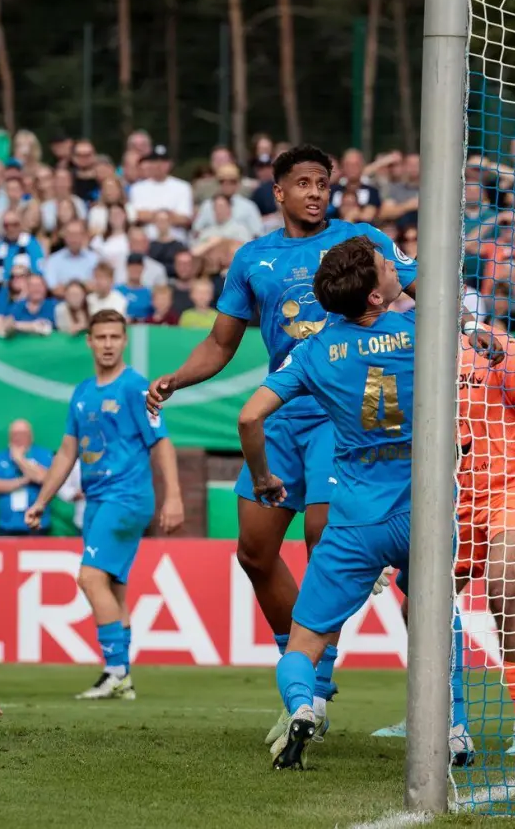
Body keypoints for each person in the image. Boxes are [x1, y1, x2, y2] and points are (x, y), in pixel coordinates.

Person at [145, 145, 419, 740]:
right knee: (254, 553)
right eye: (304, 183)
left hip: (338, 413)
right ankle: (300, 665)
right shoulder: (252, 258)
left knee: (324, 540)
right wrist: (175, 378)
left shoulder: (361, 240)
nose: (316, 192)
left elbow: (422, 293)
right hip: (279, 414)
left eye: (323, 182)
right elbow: (220, 345)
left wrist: (469, 333)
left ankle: (314, 692)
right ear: (279, 193)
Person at [234, 236, 441, 770]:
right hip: (422, 507)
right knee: (436, 617)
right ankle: (454, 726)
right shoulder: (423, 332)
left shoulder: (312, 351)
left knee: (303, 641)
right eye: (384, 266)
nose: (394, 268)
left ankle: (304, 705)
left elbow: (249, 418)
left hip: (353, 518)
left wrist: (263, 479)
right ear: (375, 296)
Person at [370, 323, 515, 755]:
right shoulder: (395, 353)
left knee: (503, 588)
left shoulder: (495, 344)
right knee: (419, 604)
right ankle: (433, 712)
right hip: (450, 497)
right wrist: (380, 536)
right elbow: (384, 450)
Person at [25, 311, 183, 700]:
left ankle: (114, 671)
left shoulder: (134, 388)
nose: (108, 343)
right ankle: (123, 678)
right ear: (90, 342)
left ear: (125, 340)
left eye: (115, 336)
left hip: (126, 496)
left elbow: (161, 441)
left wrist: (174, 496)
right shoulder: (82, 393)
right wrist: (41, 501)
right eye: (101, 337)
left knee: (90, 577)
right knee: (112, 587)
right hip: (97, 500)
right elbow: (67, 452)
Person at [0, 420, 54, 536]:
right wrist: (24, 480)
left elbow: (45, 478)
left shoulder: (43, 454)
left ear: (30, 436)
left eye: (22, 434)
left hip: (37, 523)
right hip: (8, 525)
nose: (17, 438)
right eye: (14, 434)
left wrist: (19, 459)